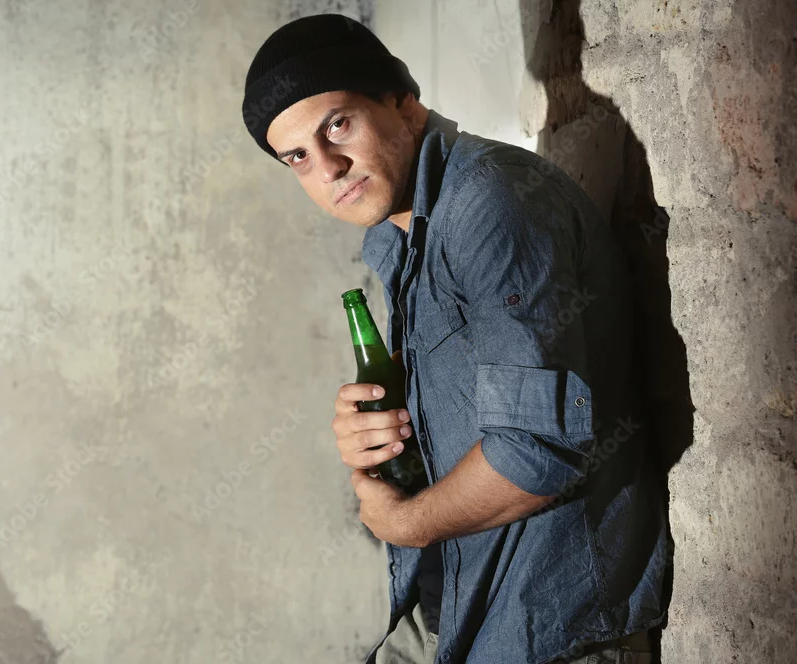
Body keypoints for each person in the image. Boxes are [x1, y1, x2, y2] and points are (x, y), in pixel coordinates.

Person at [241, 14, 668, 664]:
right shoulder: (401, 237)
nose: (327, 167)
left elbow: (537, 450)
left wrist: (404, 523)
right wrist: (378, 433)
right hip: (454, 607)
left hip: (544, 626)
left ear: (403, 103)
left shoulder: (489, 202)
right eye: (297, 156)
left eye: (338, 125)